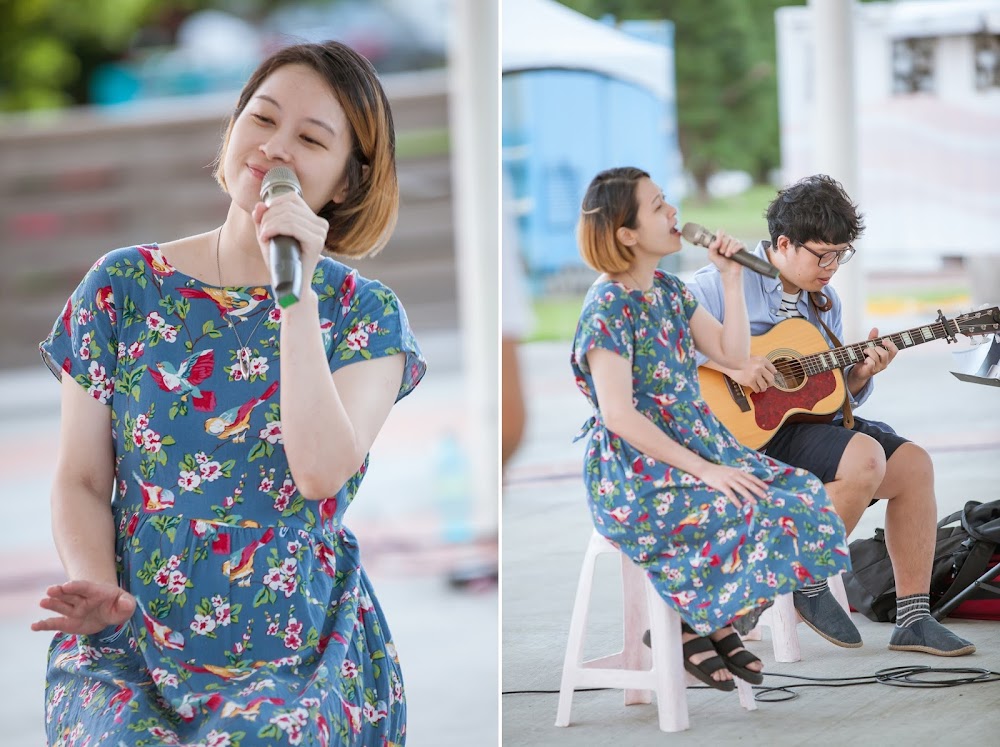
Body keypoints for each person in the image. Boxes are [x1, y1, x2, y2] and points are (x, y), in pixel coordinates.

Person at [31, 40, 425, 745]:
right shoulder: (120, 286)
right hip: (134, 637)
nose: (274, 147)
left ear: (344, 182)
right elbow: (82, 477)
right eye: (262, 118)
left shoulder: (367, 316)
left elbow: (319, 469)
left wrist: (296, 294)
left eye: (310, 138)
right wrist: (98, 588)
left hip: (295, 653)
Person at [570, 167, 852, 691]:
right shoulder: (608, 305)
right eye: (658, 206)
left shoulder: (672, 292)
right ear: (626, 233)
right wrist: (707, 469)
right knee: (737, 503)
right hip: (636, 467)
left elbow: (733, 354)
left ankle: (697, 620)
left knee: (800, 497)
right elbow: (618, 414)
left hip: (695, 446)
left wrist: (729, 278)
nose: (674, 212)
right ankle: (697, 622)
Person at [687, 173, 975, 656]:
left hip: (802, 426)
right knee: (864, 458)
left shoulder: (824, 301)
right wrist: (733, 361)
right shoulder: (716, 283)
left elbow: (824, 395)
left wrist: (860, 376)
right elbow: (663, 346)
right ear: (783, 243)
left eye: (841, 254)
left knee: (913, 466)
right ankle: (806, 575)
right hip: (738, 435)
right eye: (823, 255)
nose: (833, 266)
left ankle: (913, 617)